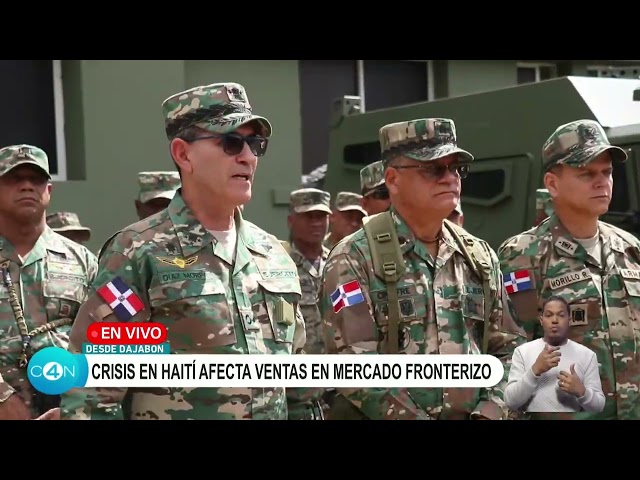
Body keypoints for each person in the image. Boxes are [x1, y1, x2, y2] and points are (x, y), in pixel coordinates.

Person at [58, 82, 306, 420]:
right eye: (231, 142)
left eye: (255, 144)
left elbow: (297, 385)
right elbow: (91, 392)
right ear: (183, 154)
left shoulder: (272, 254)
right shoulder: (138, 252)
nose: (247, 156)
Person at [320, 118, 526, 420]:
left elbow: (510, 348)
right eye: (433, 168)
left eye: (455, 168)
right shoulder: (354, 257)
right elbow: (353, 365)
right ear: (392, 179)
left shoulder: (478, 256)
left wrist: (490, 410)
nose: (449, 178)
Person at [498, 119, 639, 420]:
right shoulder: (524, 255)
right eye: (586, 173)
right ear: (552, 184)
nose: (601, 182)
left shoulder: (629, 248)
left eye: (607, 172)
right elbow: (512, 353)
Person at [0, 144, 97, 420]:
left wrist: (77, 403)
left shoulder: (84, 261)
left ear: (49, 191)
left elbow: (111, 338)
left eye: (36, 179)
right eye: (14, 179)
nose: (27, 186)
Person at [504, 296, 605, 414]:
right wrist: (534, 371)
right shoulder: (522, 352)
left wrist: (582, 392)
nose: (555, 320)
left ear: (569, 320)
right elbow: (510, 401)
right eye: (549, 315)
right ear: (541, 320)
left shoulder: (587, 355)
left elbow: (599, 406)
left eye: (561, 315)